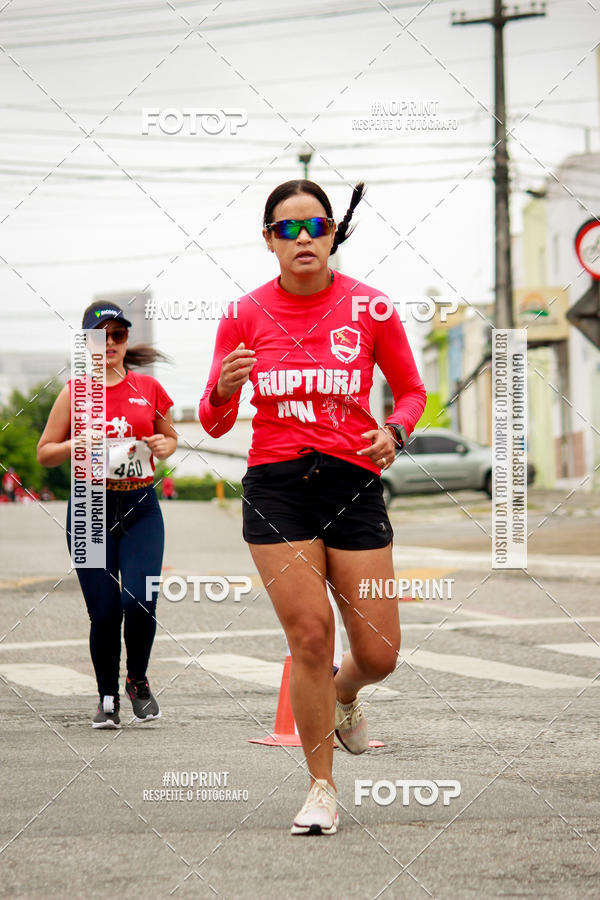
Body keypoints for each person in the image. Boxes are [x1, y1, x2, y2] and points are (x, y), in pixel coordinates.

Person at [199, 180, 427, 835]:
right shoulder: (243, 315)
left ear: (333, 233)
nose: (303, 239)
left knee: (380, 652)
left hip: (353, 485)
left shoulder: (372, 309)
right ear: (268, 239)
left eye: (315, 226)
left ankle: (346, 694)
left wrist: (396, 433)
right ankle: (321, 788)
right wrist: (222, 387)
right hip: (276, 487)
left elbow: (411, 392)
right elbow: (215, 422)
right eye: (288, 229)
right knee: (309, 637)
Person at [37, 301, 177, 729]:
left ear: (126, 340)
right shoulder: (73, 392)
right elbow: (45, 454)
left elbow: (170, 438)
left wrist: (163, 446)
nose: (111, 342)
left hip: (139, 506)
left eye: (119, 335)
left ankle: (137, 678)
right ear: (88, 342)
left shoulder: (148, 388)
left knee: (140, 599)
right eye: (102, 335)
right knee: (104, 611)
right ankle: (107, 697)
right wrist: (77, 444)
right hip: (90, 508)